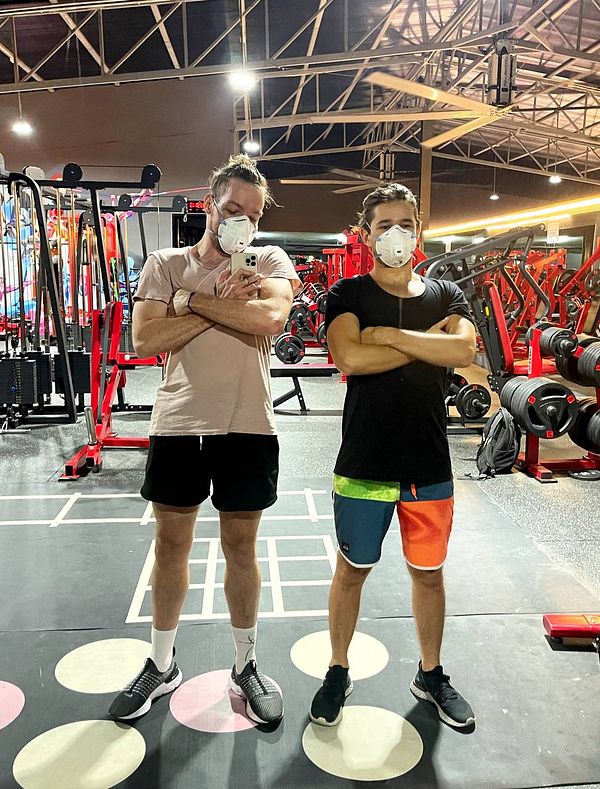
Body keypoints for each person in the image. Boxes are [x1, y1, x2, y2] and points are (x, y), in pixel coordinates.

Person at [109, 154, 299, 725]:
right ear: (209, 206)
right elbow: (146, 339)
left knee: (241, 548)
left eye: (253, 214)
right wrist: (223, 306)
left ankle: (245, 664)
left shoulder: (269, 259)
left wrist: (190, 304)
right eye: (233, 208)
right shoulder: (166, 264)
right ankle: (161, 663)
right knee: (171, 546)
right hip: (179, 422)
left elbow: (270, 320)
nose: (243, 221)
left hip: (248, 423)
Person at [309, 183, 477, 729]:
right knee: (351, 571)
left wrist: (388, 335)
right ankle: (337, 669)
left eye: (405, 223)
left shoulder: (447, 294)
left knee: (429, 575)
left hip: (428, 465)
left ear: (419, 231)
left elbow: (464, 350)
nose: (396, 234)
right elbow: (350, 357)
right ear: (367, 235)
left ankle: (431, 674)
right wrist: (424, 342)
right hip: (365, 460)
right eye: (384, 225)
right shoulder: (348, 293)